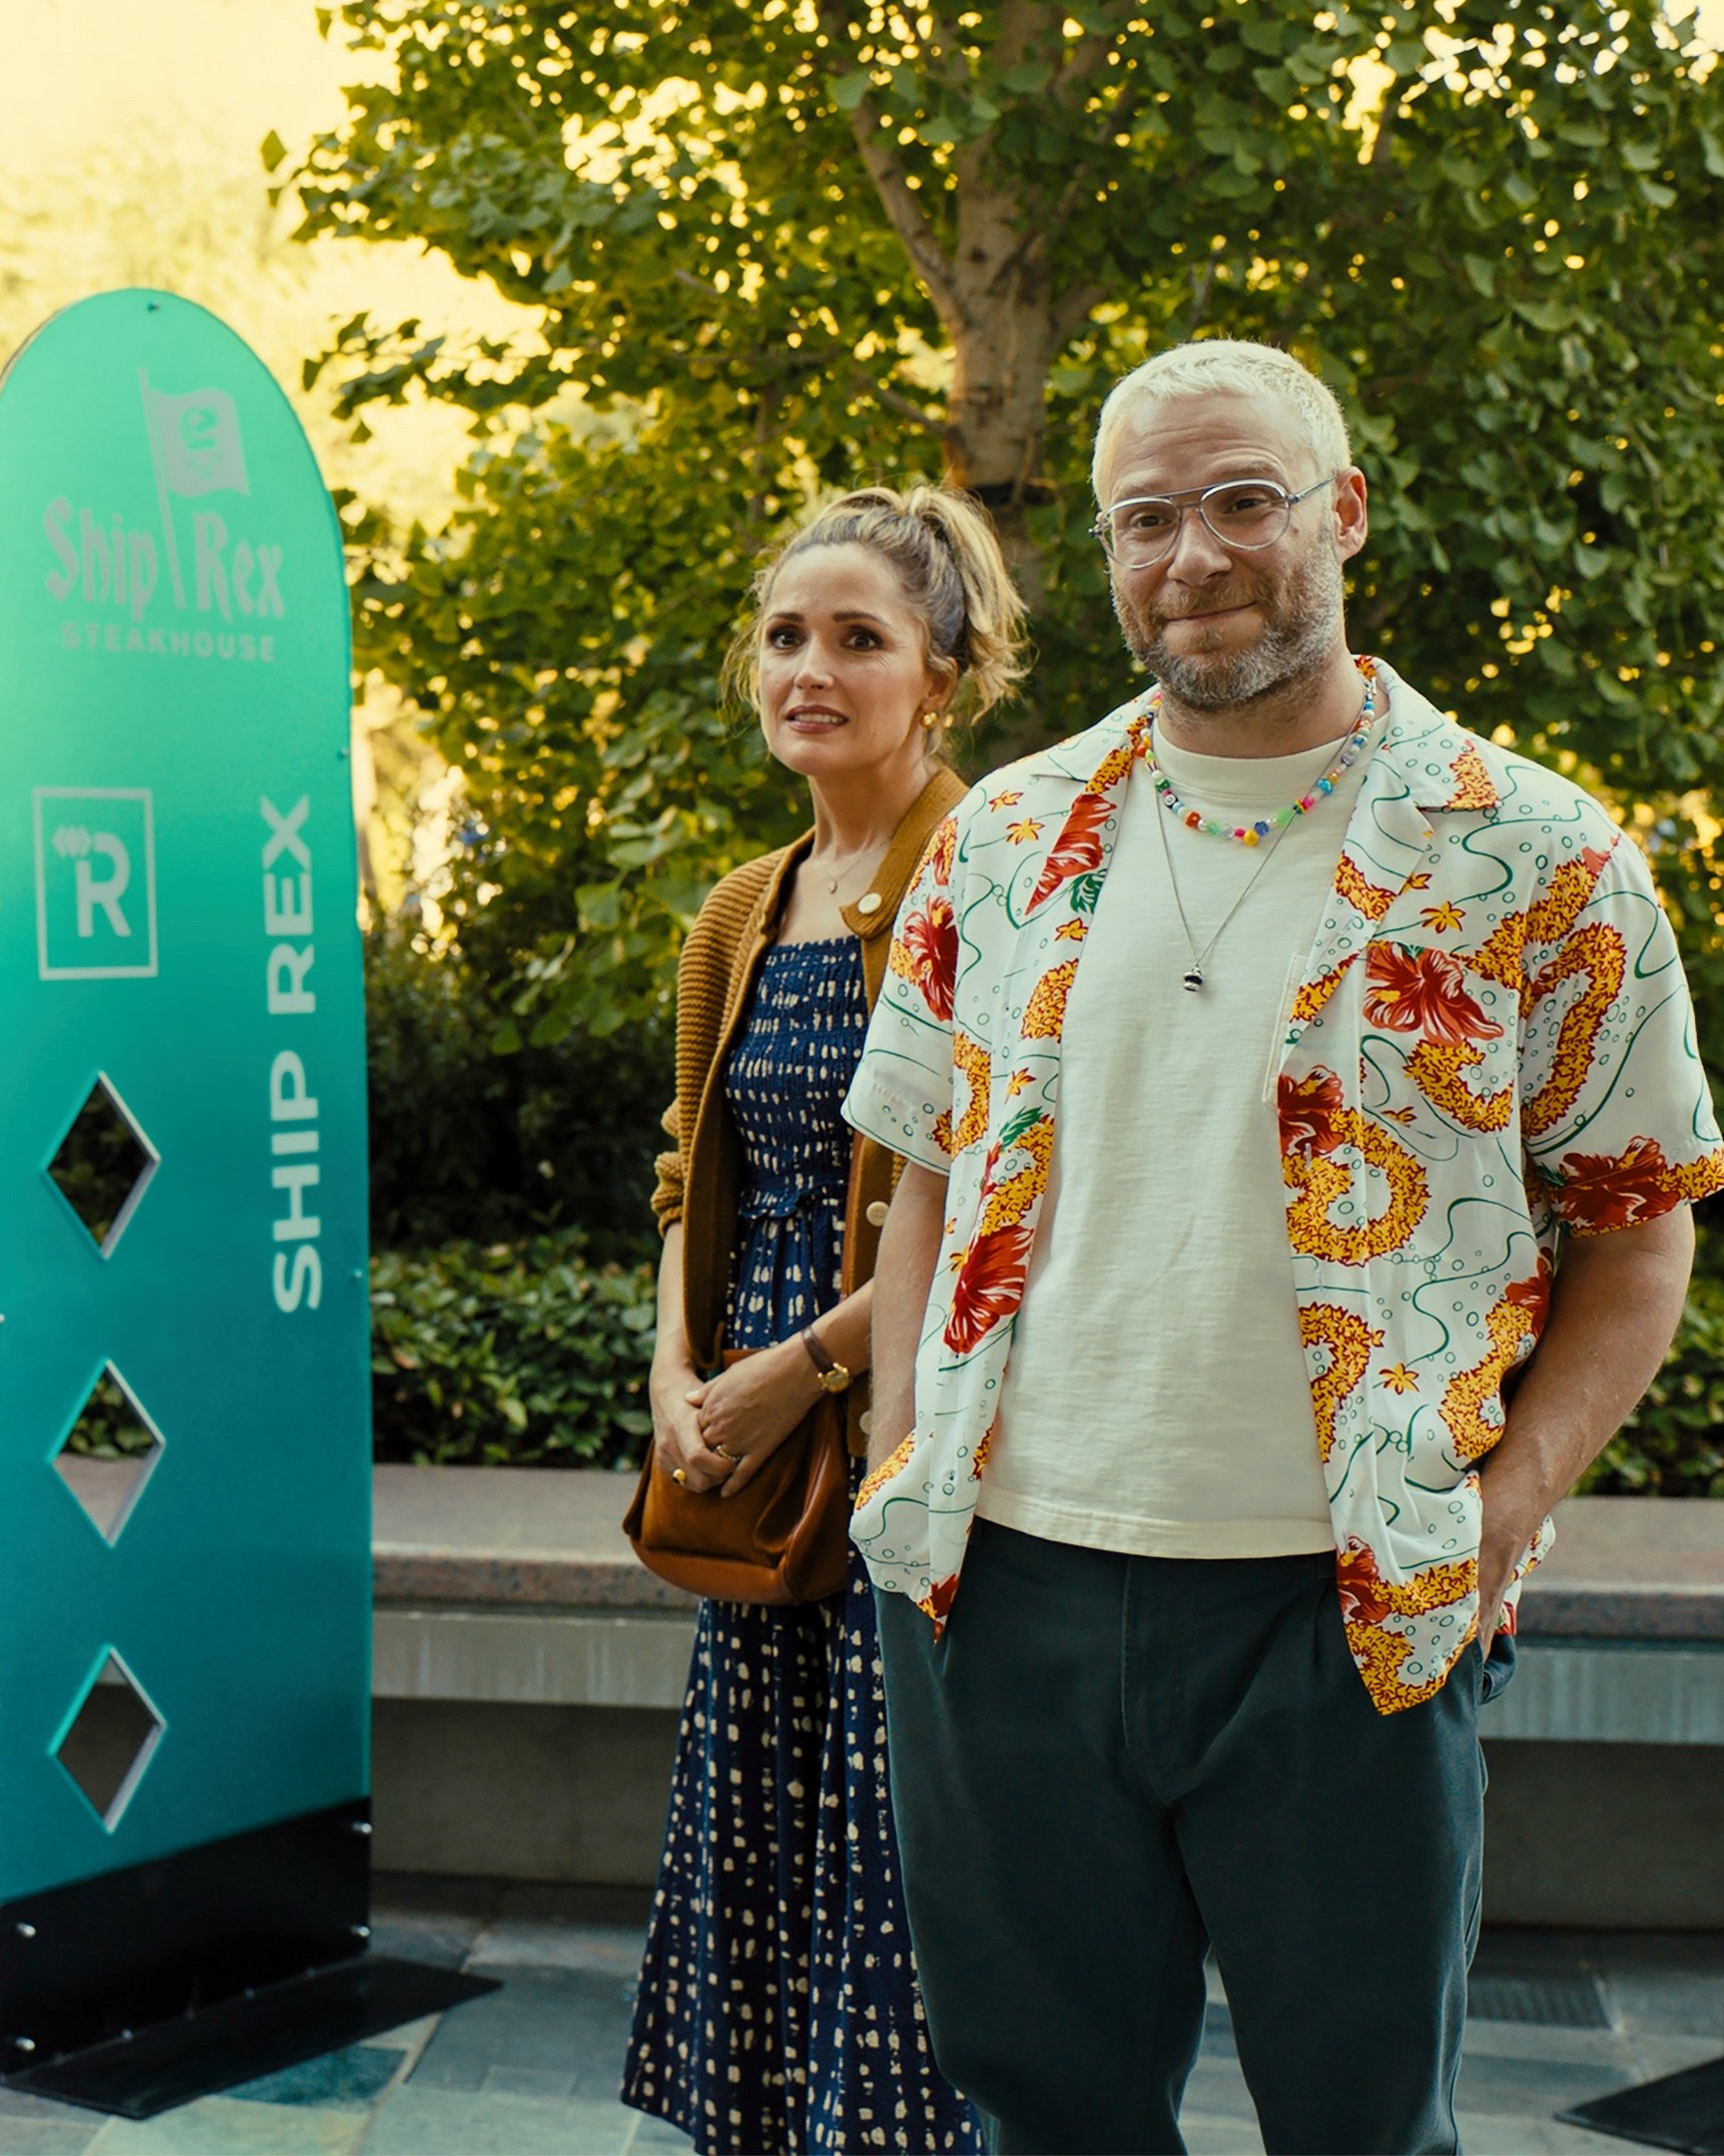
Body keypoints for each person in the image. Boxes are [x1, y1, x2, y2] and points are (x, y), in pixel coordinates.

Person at [849, 339, 1724, 2153]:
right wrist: (901, 1459)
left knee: (1361, 2128)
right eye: (1145, 519)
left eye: (1244, 500)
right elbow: (921, 1172)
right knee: (1048, 2125)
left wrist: (1506, 1509)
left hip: (1347, 1607)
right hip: (1004, 1594)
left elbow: (1641, 1230)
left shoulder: (1534, 851)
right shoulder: (1003, 837)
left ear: (1344, 513)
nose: (1195, 555)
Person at [625, 488, 1017, 2153]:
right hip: (751, 1441)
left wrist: (801, 1371)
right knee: (768, 1831)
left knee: (903, 1840)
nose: (811, 669)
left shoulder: (994, 879)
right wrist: (677, 1370)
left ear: (944, 676)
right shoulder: (741, 906)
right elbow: (685, 1168)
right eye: (787, 636)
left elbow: (1005, 1195)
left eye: (860, 638)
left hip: (912, 1427)